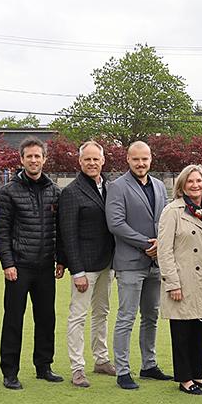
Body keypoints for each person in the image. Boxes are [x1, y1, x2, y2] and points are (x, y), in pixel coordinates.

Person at [0, 137, 65, 390]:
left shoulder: (54, 191)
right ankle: (10, 371)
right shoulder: (9, 192)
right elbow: (1, 232)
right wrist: (7, 263)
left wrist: (60, 259)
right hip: (19, 266)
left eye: (38, 156)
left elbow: (60, 229)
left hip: (46, 265)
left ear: (44, 159)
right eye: (29, 156)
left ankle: (43, 366)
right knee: (14, 318)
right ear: (21, 159)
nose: (34, 160)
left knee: (46, 318)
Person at [106, 140, 172, 390]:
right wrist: (146, 243)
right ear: (128, 159)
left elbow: (164, 220)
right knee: (126, 317)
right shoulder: (117, 187)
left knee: (151, 315)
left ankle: (149, 365)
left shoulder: (158, 186)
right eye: (136, 159)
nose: (141, 163)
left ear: (150, 159)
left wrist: (160, 245)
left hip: (156, 263)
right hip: (130, 263)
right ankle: (123, 370)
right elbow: (116, 223)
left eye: (145, 159)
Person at [158, 165, 202, 395]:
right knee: (182, 333)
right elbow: (164, 251)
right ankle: (185, 379)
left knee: (200, 333)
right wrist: (172, 283)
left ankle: (198, 374)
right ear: (182, 185)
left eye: (199, 181)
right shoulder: (172, 211)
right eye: (190, 181)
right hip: (183, 281)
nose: (195, 185)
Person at [57, 140, 116, 388]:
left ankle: (101, 359)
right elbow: (68, 234)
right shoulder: (71, 192)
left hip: (108, 263)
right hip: (85, 267)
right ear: (80, 162)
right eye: (87, 159)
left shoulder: (111, 188)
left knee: (102, 312)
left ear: (103, 161)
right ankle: (77, 367)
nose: (92, 163)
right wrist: (77, 270)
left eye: (96, 159)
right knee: (78, 316)